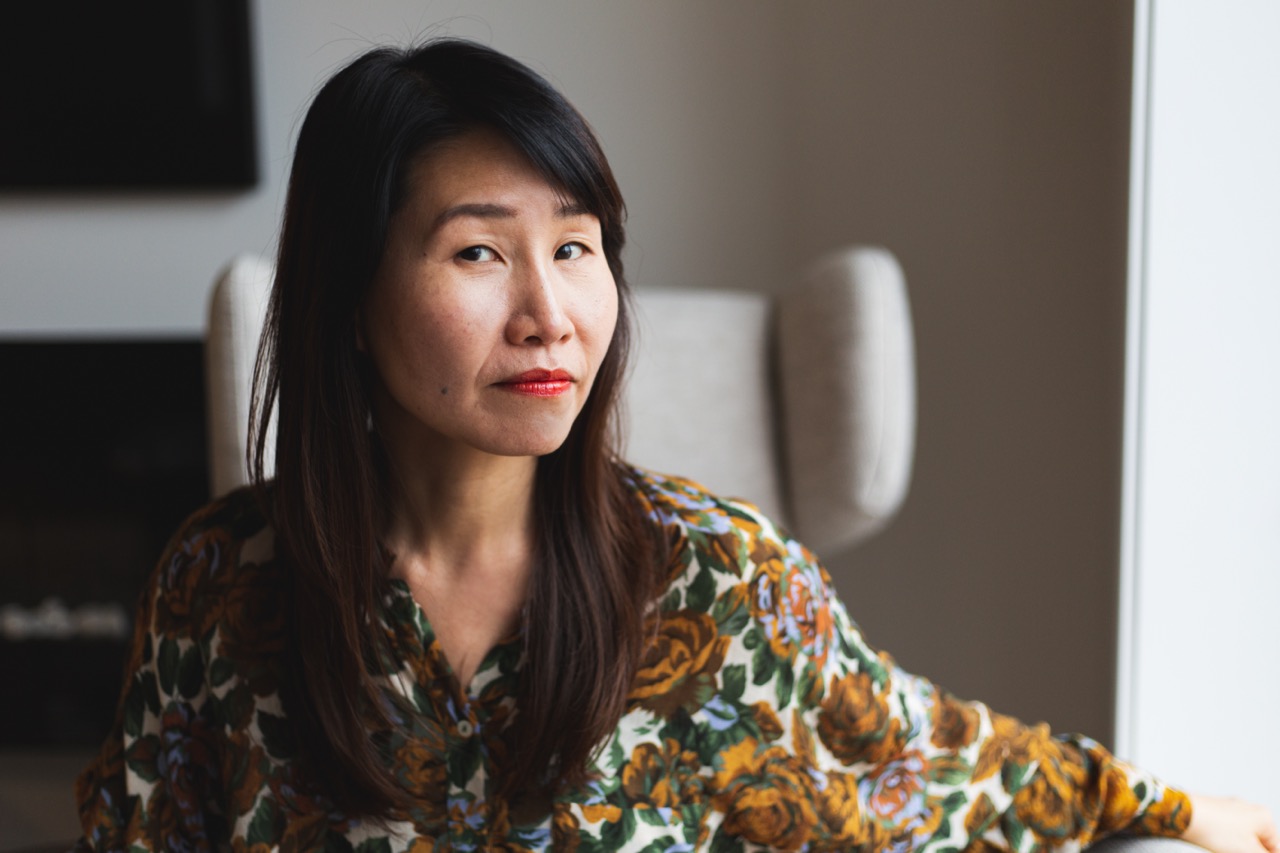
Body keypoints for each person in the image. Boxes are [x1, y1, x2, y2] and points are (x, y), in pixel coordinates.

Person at [74, 39, 1275, 853]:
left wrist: (1165, 803)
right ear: (347, 291)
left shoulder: (713, 578)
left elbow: (919, 764)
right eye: (479, 252)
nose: (550, 311)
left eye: (579, 245)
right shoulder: (223, 587)